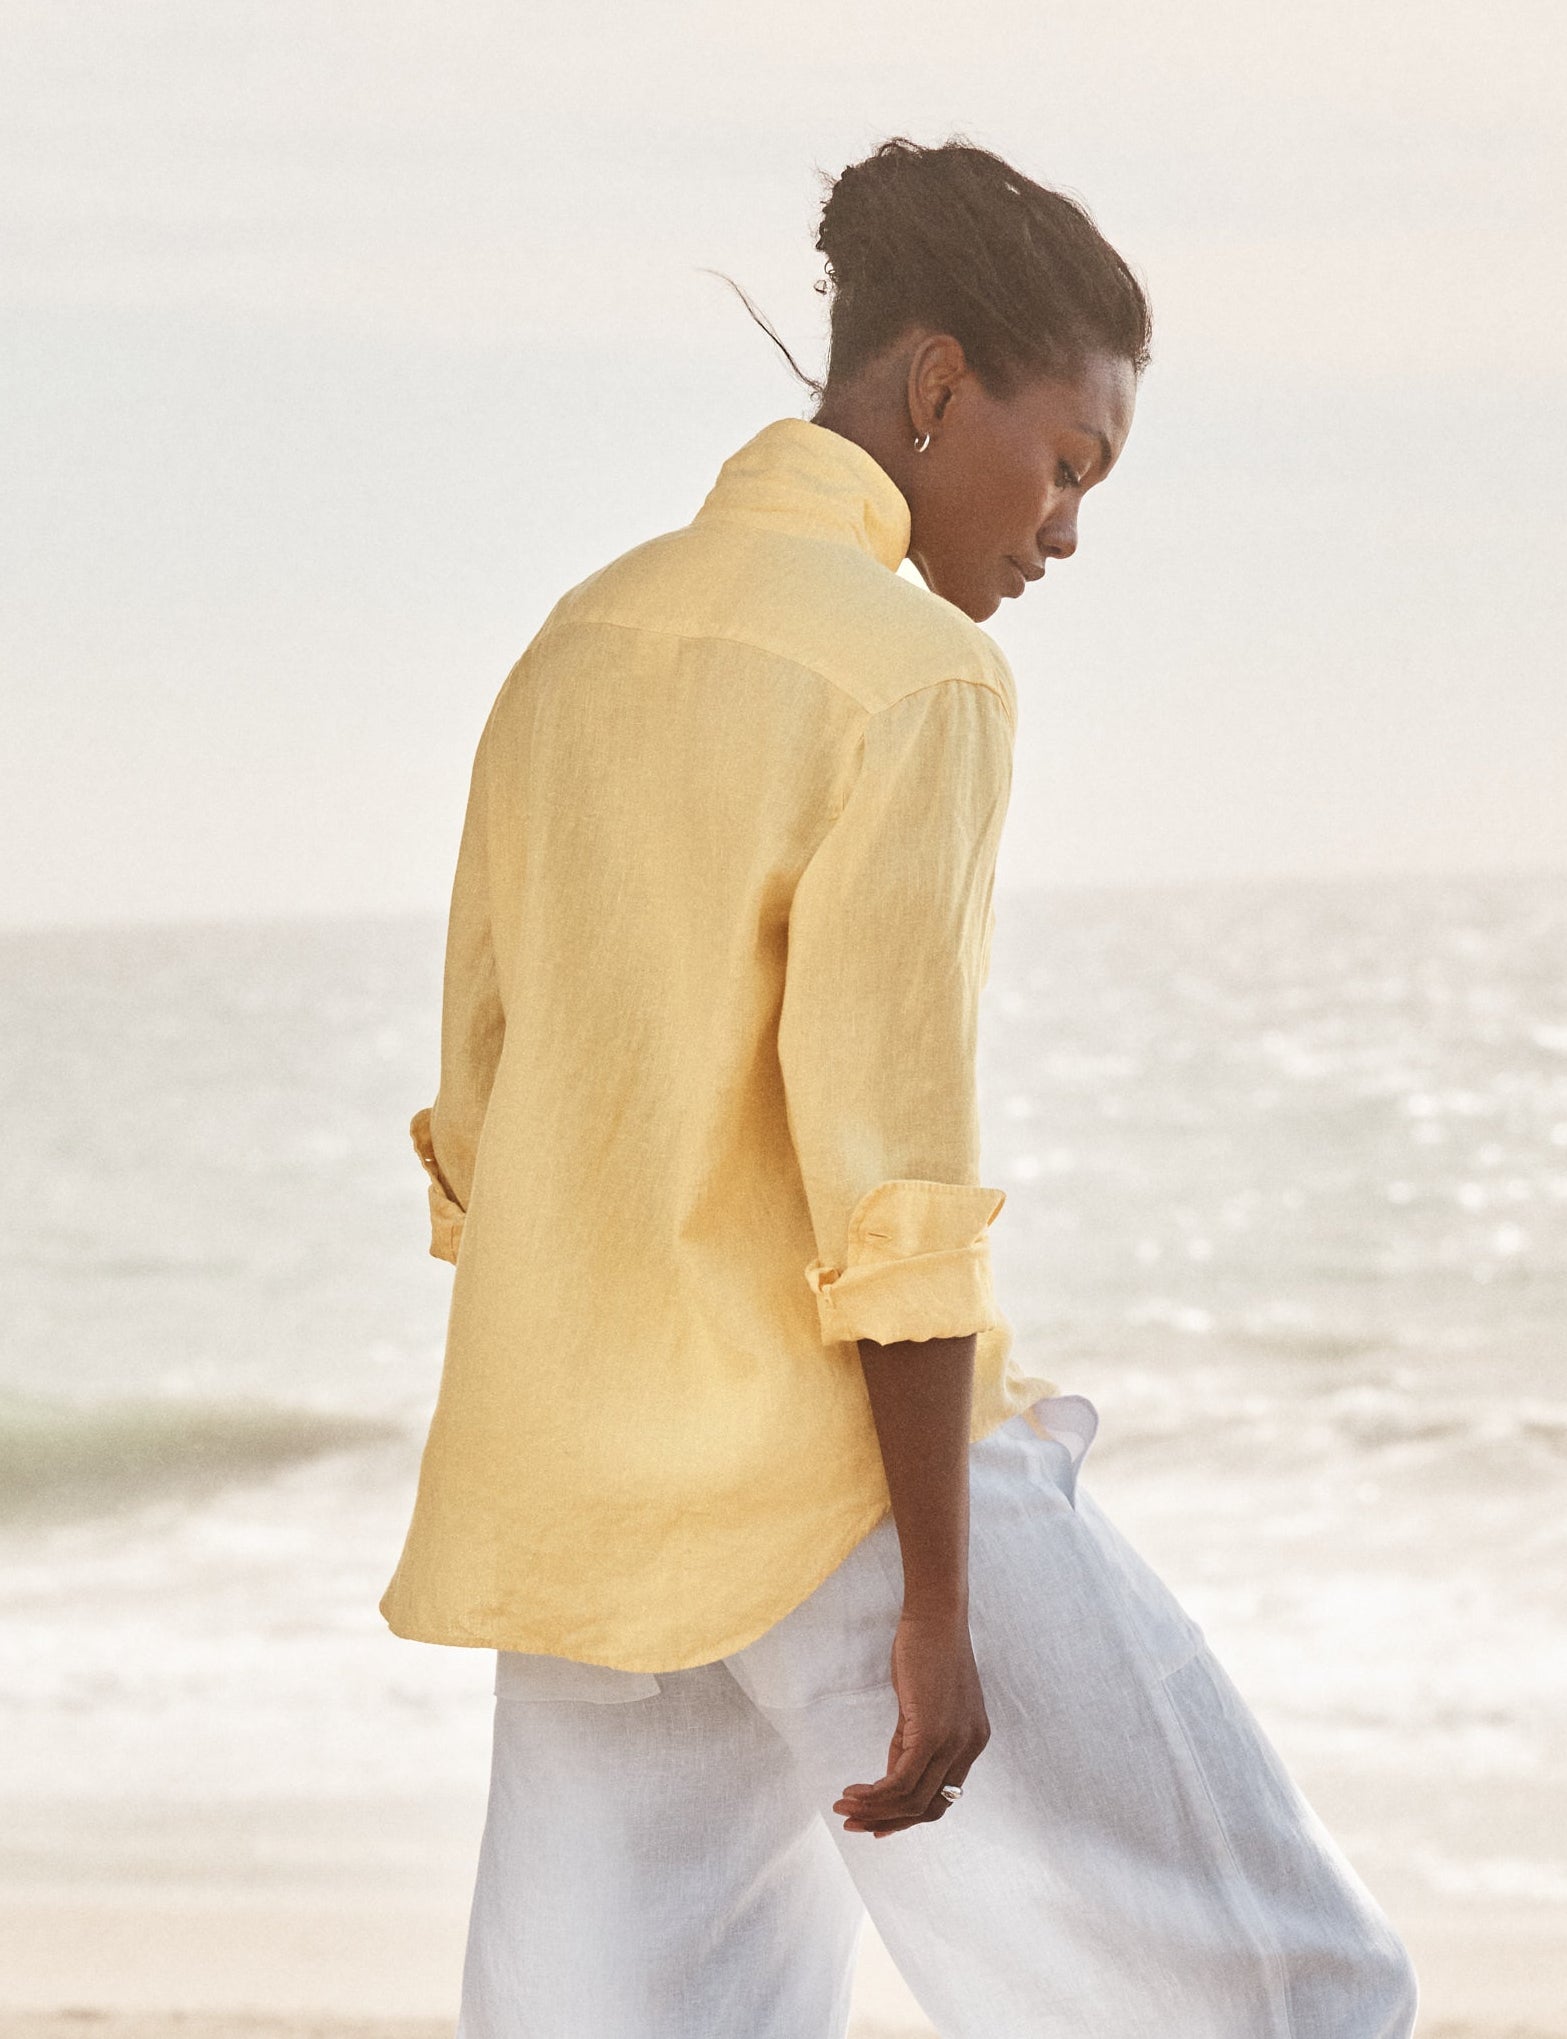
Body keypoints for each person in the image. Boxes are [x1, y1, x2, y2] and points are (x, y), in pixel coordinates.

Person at [381, 135, 1421, 2037]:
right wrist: (938, 1604)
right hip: (841, 1499)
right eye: (1070, 461)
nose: (1066, 530)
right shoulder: (913, 677)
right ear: (940, 385)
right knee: (1287, 1997)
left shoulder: (571, 645)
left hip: (588, 1518)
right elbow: (894, 1194)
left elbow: (484, 1117)